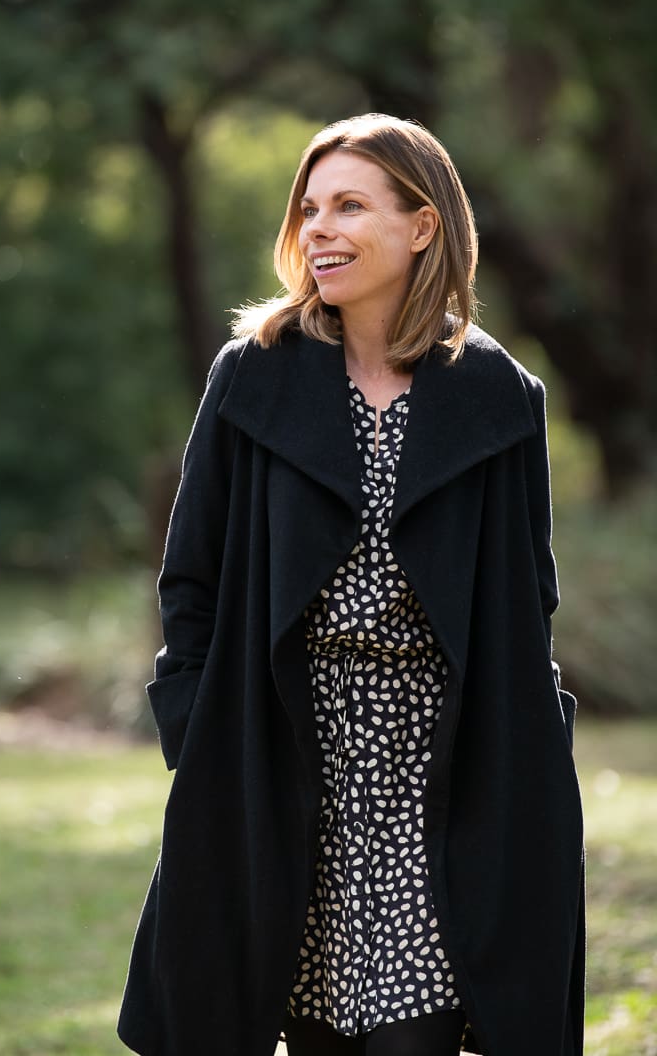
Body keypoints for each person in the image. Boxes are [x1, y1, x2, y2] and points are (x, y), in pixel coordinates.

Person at [117, 114, 585, 1056]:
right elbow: (191, 576)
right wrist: (195, 730)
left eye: (350, 206)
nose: (319, 228)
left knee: (414, 1040)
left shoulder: (499, 397)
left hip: (439, 777)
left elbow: (525, 603)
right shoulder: (253, 376)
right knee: (300, 1031)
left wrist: (533, 765)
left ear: (422, 227)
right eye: (311, 207)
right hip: (277, 758)